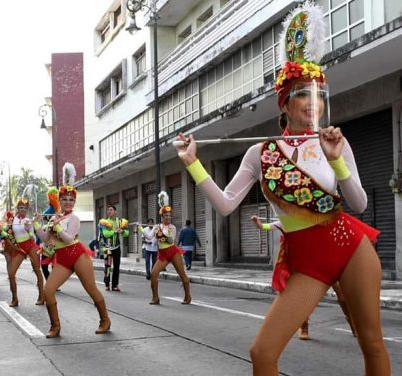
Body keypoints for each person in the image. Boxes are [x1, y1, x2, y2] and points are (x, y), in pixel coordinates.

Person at [176, 4, 390, 373]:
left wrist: (336, 158)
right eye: (304, 95)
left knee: (370, 341)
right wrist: (192, 163)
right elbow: (227, 205)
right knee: (263, 352)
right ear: (285, 102)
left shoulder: (334, 142)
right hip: (308, 263)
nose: (314, 103)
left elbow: (358, 203)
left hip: (350, 246)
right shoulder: (261, 153)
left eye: (319, 95)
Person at [34, 162, 111, 338]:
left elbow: (68, 237)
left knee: (91, 289)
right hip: (62, 260)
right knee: (48, 291)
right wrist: (37, 224)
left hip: (77, 256)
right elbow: (46, 239)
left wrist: (58, 227)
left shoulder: (74, 218)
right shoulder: (54, 217)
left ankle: (105, 320)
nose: (68, 202)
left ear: (74, 202)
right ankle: (55, 326)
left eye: (71, 200)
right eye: (65, 199)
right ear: (59, 201)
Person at [251, 215, 356, 340]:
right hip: (306, 267)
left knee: (343, 295)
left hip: (327, 263)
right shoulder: (289, 221)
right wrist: (259, 224)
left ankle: (354, 327)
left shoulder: (319, 219)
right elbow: (267, 226)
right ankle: (303, 327)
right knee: (303, 298)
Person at [148, 192, 191, 305]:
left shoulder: (172, 227)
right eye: (166, 216)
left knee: (182, 274)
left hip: (173, 252)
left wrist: (158, 231)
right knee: (153, 274)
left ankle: (188, 296)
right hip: (162, 255)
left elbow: (169, 240)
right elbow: (149, 237)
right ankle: (155, 298)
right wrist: (141, 229)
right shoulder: (157, 227)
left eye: (169, 215)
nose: (168, 217)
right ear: (162, 217)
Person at [6, 189, 45, 307]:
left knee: (37, 270)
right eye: (21, 207)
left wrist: (29, 229)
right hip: (19, 248)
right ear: (17, 209)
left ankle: (41, 296)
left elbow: (33, 237)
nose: (23, 210)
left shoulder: (28, 220)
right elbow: (7, 233)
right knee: (11, 273)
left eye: (25, 208)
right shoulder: (12, 220)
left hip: (30, 245)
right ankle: (14, 298)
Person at [99, 205, 129, 291]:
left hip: (117, 247)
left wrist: (122, 231)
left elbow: (127, 233)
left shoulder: (120, 222)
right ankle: (107, 284)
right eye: (108, 210)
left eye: (111, 210)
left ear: (115, 211)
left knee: (116, 266)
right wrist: (115, 231)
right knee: (107, 266)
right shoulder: (104, 222)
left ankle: (115, 285)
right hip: (107, 248)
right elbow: (105, 233)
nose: (109, 211)